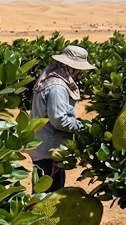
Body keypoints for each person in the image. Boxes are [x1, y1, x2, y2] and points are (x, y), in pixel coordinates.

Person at [30, 45, 94, 191]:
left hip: (45, 148)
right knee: (47, 198)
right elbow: (59, 120)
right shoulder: (57, 87)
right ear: (70, 67)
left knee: (44, 194)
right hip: (50, 151)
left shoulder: (51, 80)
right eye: (79, 70)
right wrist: (83, 127)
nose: (81, 74)